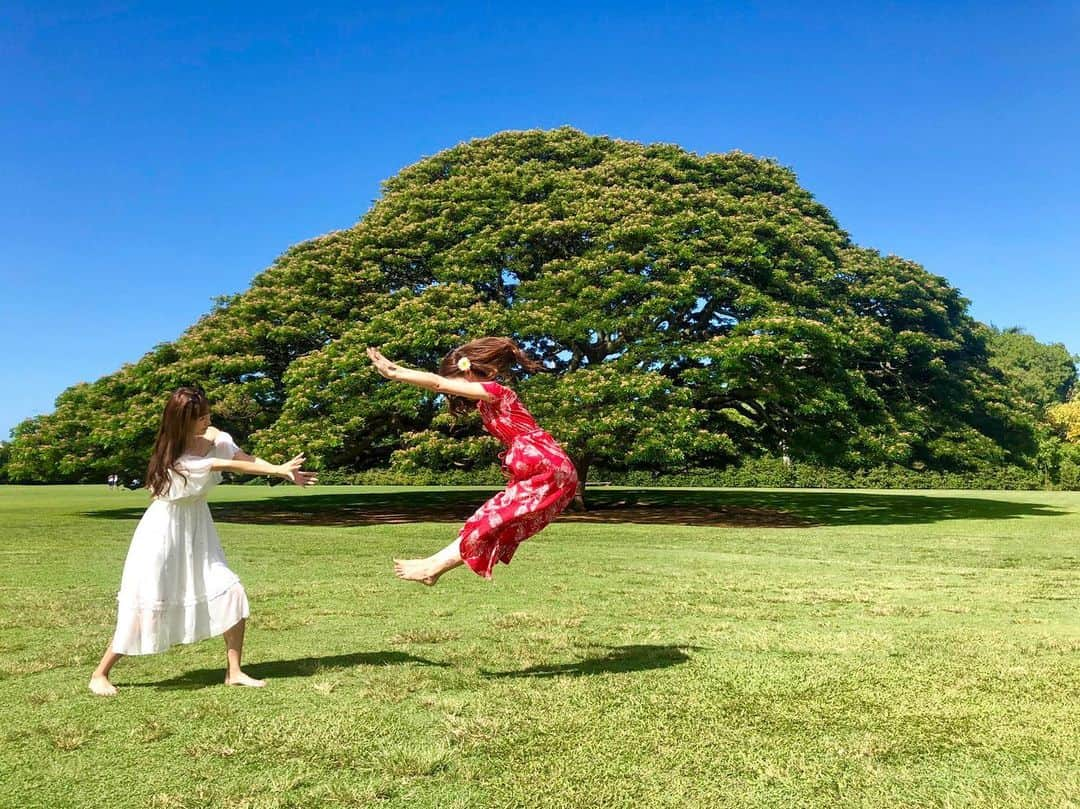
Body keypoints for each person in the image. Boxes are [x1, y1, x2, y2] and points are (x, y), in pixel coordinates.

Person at [88, 387, 316, 696]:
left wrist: (280, 471)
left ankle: (234, 671)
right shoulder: (175, 456)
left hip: (197, 529)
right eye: (199, 417)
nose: (206, 420)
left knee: (231, 590)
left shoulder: (214, 438)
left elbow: (241, 456)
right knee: (149, 604)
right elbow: (228, 466)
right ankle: (100, 673)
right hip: (163, 533)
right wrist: (276, 469)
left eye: (207, 413)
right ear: (181, 421)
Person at [366, 338, 578, 584]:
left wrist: (396, 372)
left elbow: (437, 383)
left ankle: (430, 568)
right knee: (486, 518)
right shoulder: (485, 401)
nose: (451, 388)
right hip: (542, 469)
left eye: (453, 381)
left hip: (548, 468)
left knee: (491, 521)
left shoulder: (495, 391)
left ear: (467, 371)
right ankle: (432, 567)